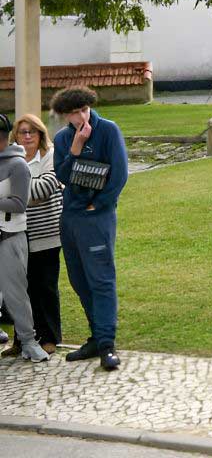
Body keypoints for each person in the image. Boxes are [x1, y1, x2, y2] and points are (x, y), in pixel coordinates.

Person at [51, 86, 128, 372]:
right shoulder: (63, 138)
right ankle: (96, 337)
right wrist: (75, 148)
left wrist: (100, 203)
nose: (81, 117)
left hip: (96, 218)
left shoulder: (108, 130)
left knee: (101, 279)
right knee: (79, 280)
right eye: (74, 113)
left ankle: (107, 344)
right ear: (65, 116)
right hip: (70, 218)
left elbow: (119, 174)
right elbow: (62, 174)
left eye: (84, 110)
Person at [3, 114, 60, 357]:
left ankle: (48, 338)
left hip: (45, 233)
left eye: (32, 132)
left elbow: (43, 189)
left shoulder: (49, 156)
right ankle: (21, 340)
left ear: (40, 134)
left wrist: (17, 192)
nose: (27, 136)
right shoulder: (12, 160)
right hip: (19, 232)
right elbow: (27, 194)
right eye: (22, 132)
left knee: (44, 287)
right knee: (19, 288)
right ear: (15, 135)